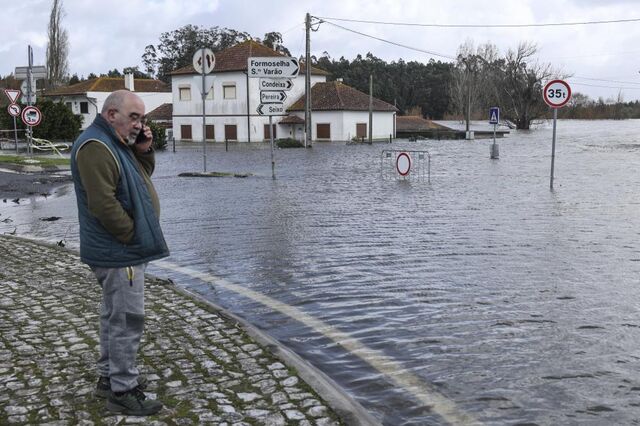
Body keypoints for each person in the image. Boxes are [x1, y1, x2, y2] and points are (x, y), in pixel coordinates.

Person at [70, 90, 169, 416]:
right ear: (111, 114)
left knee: (114, 315)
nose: (139, 124)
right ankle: (123, 390)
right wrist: (133, 237)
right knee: (127, 320)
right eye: (134, 118)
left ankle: (107, 378)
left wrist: (143, 149)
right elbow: (103, 204)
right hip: (118, 252)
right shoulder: (96, 147)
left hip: (118, 251)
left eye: (142, 118)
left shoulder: (114, 142)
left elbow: (138, 179)